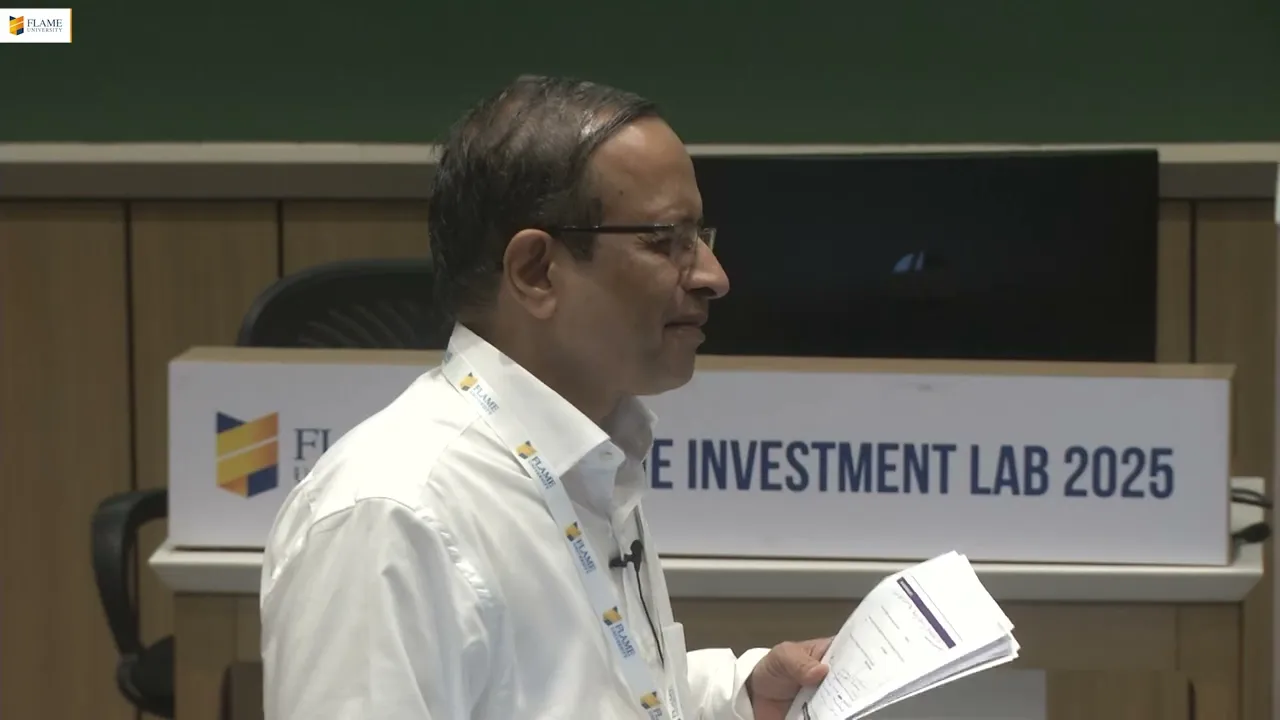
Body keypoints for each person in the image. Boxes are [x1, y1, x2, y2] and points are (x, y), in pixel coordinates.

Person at [259, 75, 832, 720]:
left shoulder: (589, 456)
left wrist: (739, 699)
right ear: (536, 272)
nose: (712, 276)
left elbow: (579, 695)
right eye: (665, 240)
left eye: (700, 237)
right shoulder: (391, 514)